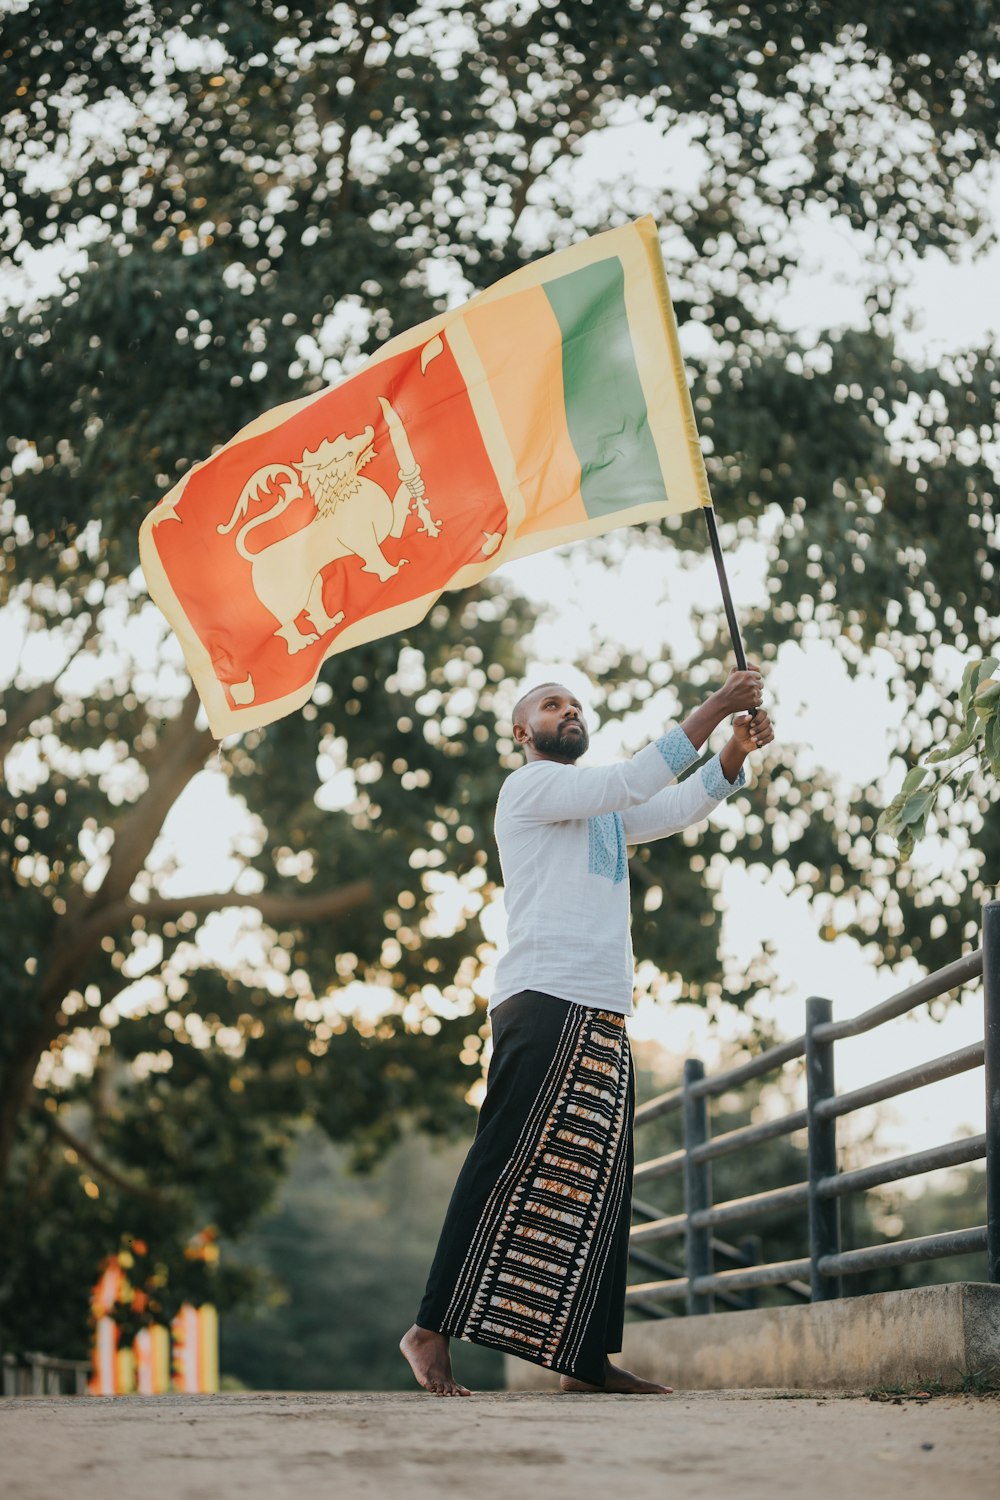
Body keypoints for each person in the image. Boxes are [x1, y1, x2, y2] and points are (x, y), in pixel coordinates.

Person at [401, 666, 774, 1396]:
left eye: (574, 705)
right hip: (541, 998)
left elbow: (665, 808)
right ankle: (428, 1329)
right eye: (550, 704)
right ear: (522, 733)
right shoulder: (531, 788)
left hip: (602, 1008)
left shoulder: (599, 811)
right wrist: (718, 707)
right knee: (501, 1164)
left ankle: (584, 1360)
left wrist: (731, 753)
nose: (567, 711)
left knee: (602, 1181)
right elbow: (631, 781)